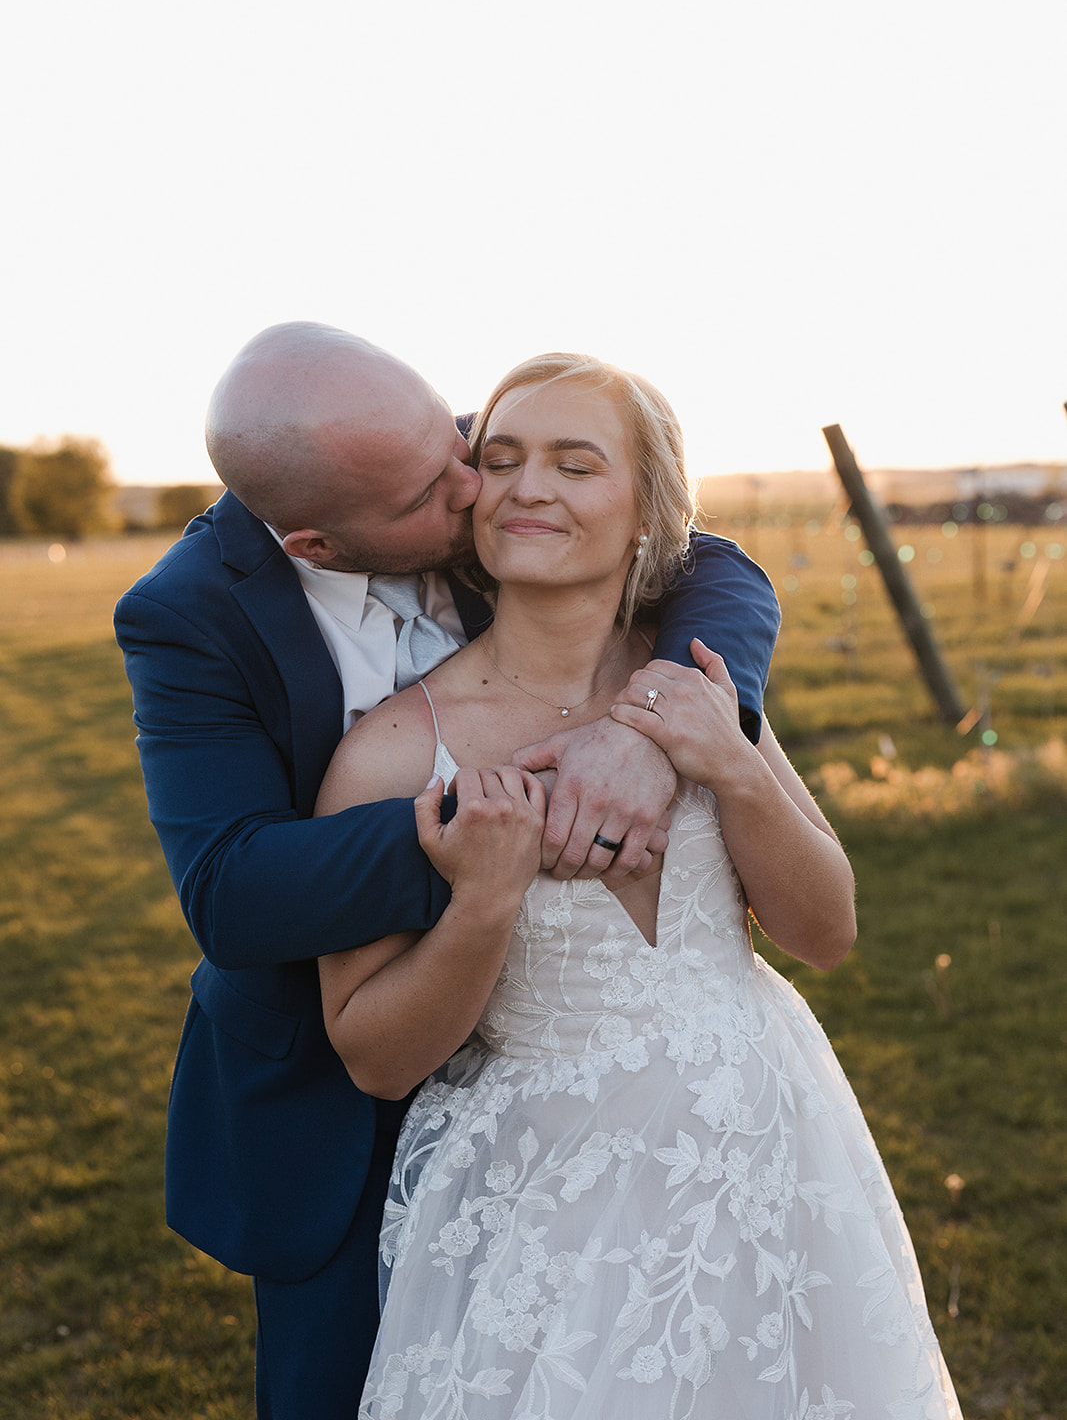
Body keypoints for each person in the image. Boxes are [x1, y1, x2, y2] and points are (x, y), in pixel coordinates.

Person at [113, 322, 780, 1420]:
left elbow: (713, 564)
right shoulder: (188, 615)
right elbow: (231, 889)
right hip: (338, 1101)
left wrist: (651, 730)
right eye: (440, 486)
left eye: (460, 439)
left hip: (570, 1085)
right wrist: (480, 819)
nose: (480, 488)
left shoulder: (459, 470)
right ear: (316, 544)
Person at [316, 352, 963, 1419]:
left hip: (767, 1141)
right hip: (547, 1189)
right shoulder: (394, 754)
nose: (529, 487)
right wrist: (481, 901)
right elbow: (374, 1056)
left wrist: (731, 763)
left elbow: (824, 929)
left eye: (575, 464)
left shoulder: (701, 683)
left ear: (646, 516)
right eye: (504, 459)